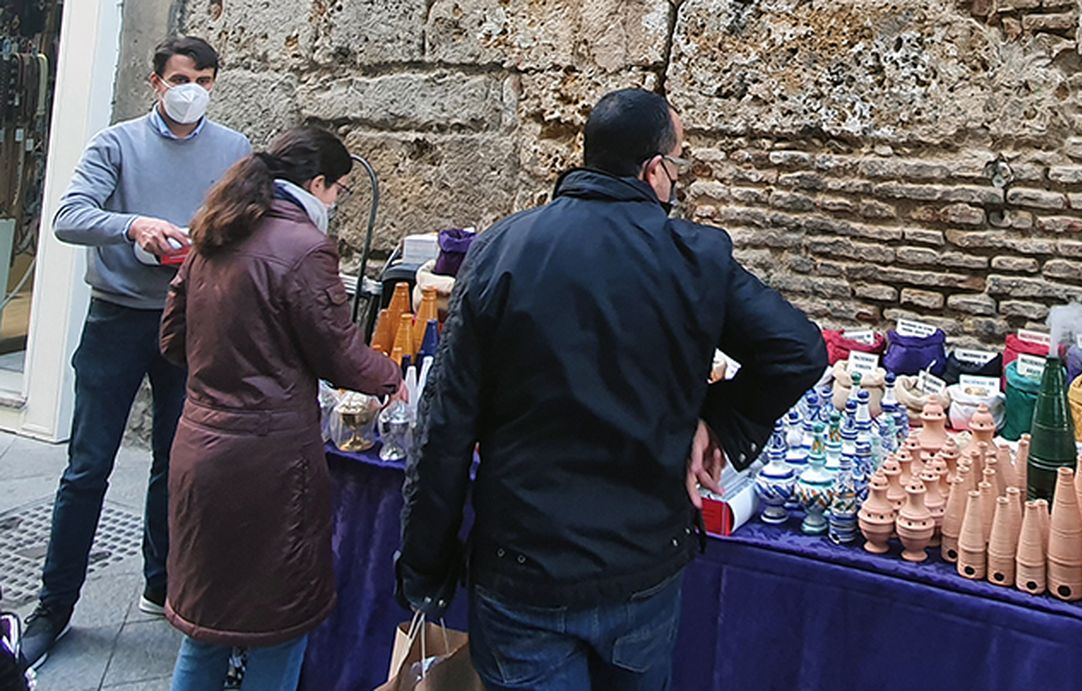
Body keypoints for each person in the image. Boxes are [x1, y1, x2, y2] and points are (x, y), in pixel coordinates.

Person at [396, 88, 827, 691]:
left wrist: (425, 564)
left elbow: (444, 426)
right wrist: (722, 421)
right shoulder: (692, 256)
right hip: (634, 564)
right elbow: (800, 349)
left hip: (528, 564)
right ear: (655, 170)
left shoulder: (503, 248)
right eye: (678, 164)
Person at [19, 36, 252, 669]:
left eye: (205, 80)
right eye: (182, 78)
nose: (193, 91)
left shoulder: (233, 150)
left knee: (177, 463)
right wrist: (134, 225)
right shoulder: (116, 144)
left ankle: (163, 583)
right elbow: (69, 215)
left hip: (191, 321)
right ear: (156, 82)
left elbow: (246, 224)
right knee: (89, 465)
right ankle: (53, 607)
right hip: (118, 318)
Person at [156, 126, 401, 689]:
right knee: (278, 626)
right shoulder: (306, 248)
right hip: (271, 464)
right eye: (339, 189)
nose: (337, 202)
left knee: (207, 625)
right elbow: (341, 354)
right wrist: (393, 379)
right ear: (317, 183)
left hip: (200, 446)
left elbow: (173, 341)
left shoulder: (214, 230)